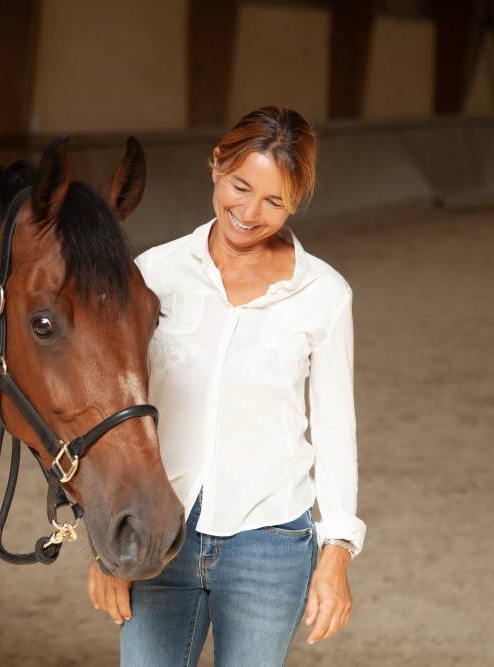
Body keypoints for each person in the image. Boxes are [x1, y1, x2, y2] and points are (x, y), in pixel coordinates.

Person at [87, 106, 366, 666]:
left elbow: (335, 430)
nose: (249, 212)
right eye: (240, 186)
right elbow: (115, 412)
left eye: (274, 200)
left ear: (296, 203)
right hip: (157, 535)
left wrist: (336, 554)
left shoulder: (325, 295)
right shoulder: (152, 275)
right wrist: (106, 548)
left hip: (270, 545)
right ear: (216, 165)